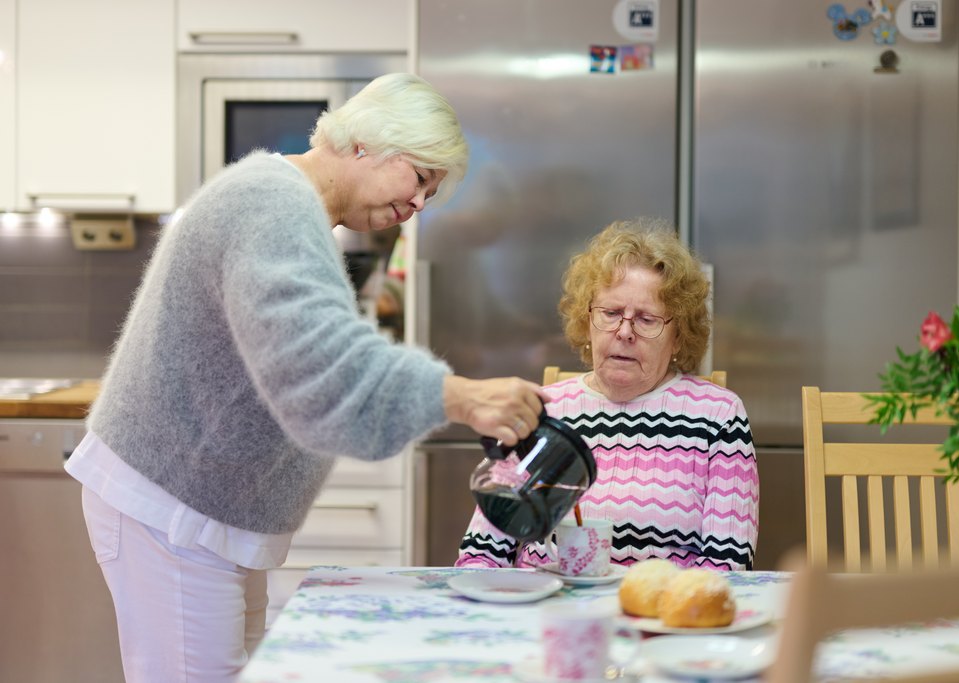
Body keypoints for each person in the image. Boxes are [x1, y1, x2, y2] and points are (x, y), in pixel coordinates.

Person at [65, 72, 547, 683]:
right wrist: (459, 396)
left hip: (203, 508)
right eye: (420, 177)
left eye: (433, 191)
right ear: (367, 143)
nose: (420, 204)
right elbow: (319, 367)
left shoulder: (292, 208)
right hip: (172, 505)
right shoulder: (271, 203)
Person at [456, 217, 759, 571]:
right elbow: (482, 551)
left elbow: (727, 564)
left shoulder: (717, 415)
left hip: (657, 616)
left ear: (678, 335)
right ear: (587, 323)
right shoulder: (545, 411)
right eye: (611, 313)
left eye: (646, 319)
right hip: (544, 611)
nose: (624, 332)